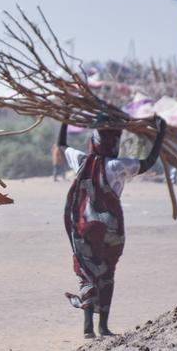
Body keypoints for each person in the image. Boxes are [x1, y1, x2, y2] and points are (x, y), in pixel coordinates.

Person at [58, 117, 167, 338]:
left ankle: (88, 327)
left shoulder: (82, 160)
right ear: (114, 143)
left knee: (86, 274)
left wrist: (65, 121)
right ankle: (103, 327)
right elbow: (149, 162)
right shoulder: (118, 166)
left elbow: (61, 146)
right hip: (111, 228)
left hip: (84, 227)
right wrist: (160, 135)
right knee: (107, 274)